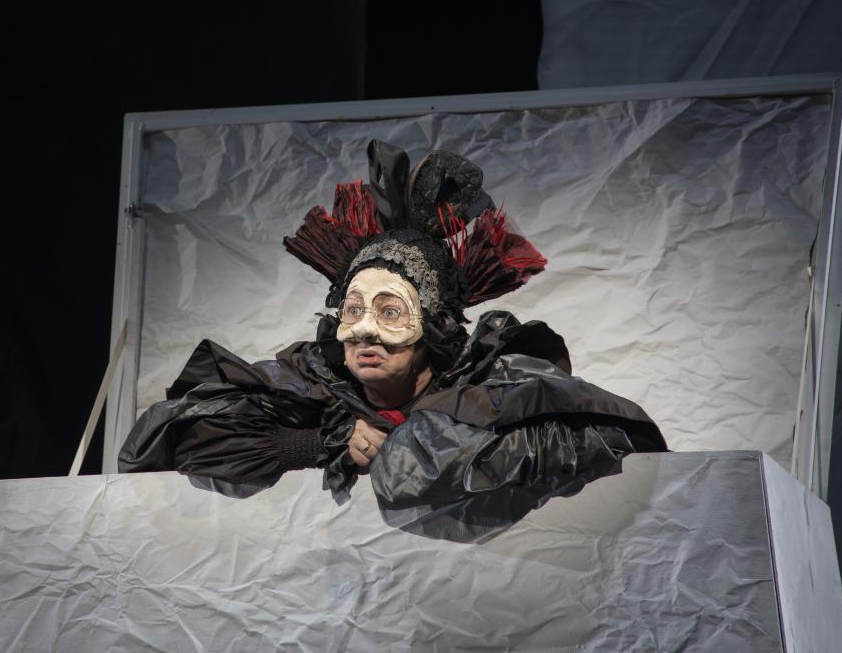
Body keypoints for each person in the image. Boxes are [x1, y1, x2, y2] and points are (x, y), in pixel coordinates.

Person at [119, 141, 666, 538]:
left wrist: (423, 446)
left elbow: (619, 437)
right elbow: (168, 437)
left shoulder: (494, 383)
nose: (363, 330)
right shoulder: (313, 382)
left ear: (435, 327)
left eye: (389, 312)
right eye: (353, 309)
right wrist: (318, 444)